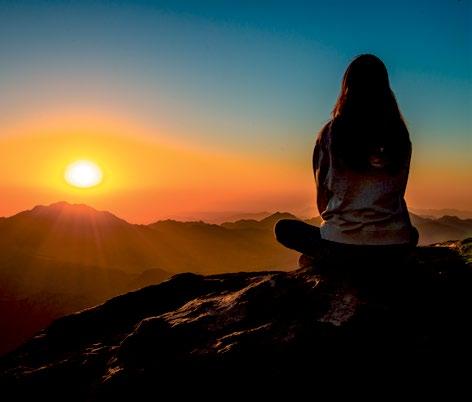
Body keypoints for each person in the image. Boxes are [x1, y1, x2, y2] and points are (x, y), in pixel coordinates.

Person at [274, 54, 419, 267]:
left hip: (341, 247)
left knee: (283, 229)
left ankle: (323, 261)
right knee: (413, 233)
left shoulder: (330, 134)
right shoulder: (400, 137)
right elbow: (397, 195)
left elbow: (322, 201)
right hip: (395, 246)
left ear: (347, 88)